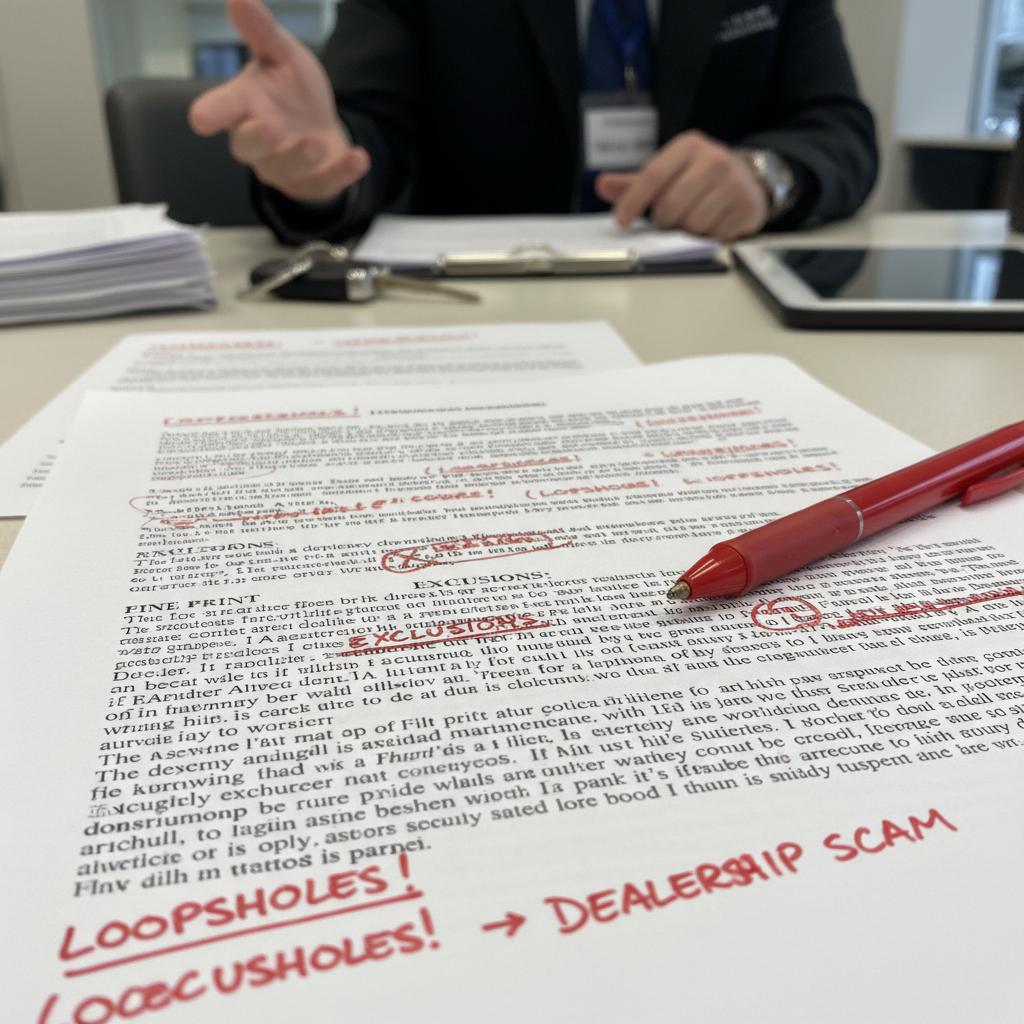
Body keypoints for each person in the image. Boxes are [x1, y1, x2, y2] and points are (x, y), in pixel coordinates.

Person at [190, 0, 878, 243]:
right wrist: (321, 165)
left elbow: (837, 126)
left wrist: (765, 176)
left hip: (717, 305)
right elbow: (365, 134)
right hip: (482, 313)